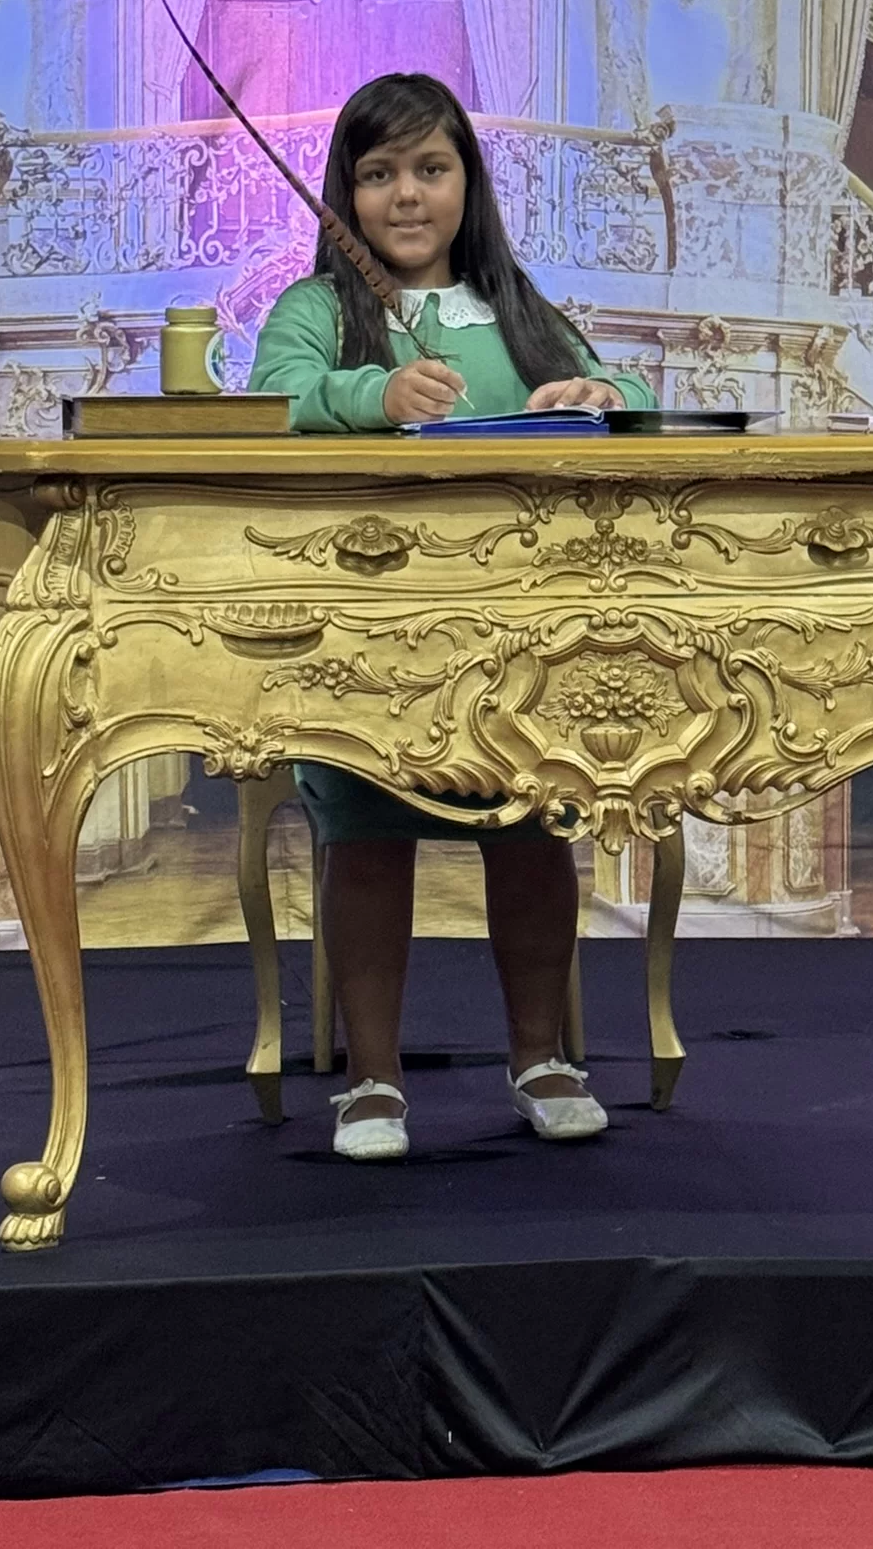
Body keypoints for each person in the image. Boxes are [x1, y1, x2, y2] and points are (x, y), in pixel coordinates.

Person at [250, 72, 656, 1161]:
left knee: (530, 831)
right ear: (344, 192)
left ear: (468, 182)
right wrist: (372, 396)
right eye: (379, 174)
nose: (407, 195)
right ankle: (372, 1080)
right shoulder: (317, 311)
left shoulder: (515, 307)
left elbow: (617, 387)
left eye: (431, 169)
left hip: (520, 635)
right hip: (368, 636)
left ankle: (541, 1058)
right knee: (366, 837)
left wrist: (594, 396)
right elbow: (277, 400)